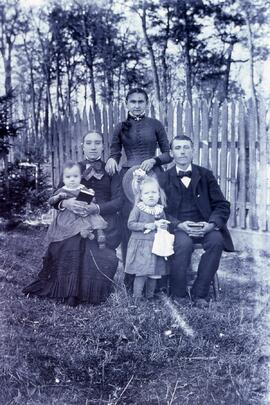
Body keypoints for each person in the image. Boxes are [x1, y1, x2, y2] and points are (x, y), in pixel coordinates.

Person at [23, 131, 122, 306]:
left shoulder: (110, 170)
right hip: (71, 223)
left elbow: (119, 201)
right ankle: (68, 290)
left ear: (102, 146)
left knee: (91, 246)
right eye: (89, 143)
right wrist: (66, 203)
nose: (93, 146)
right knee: (73, 242)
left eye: (97, 143)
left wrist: (95, 208)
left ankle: (85, 292)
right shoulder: (73, 168)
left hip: (101, 222)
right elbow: (57, 196)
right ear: (82, 146)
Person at [105, 87, 172, 289]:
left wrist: (154, 160)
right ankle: (131, 277)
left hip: (154, 178)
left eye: (140, 101)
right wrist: (110, 159)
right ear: (127, 104)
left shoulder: (156, 125)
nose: (136, 105)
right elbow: (114, 152)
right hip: (129, 180)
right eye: (133, 101)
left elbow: (168, 154)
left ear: (146, 103)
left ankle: (158, 279)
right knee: (131, 226)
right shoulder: (120, 127)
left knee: (156, 224)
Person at [158, 135, 234, 307]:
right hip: (179, 228)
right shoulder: (164, 178)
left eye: (186, 147)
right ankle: (179, 294)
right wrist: (178, 224)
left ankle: (200, 293)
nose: (182, 151)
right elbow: (159, 209)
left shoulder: (205, 175)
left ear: (192, 151)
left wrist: (211, 225)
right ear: (171, 153)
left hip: (204, 226)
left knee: (216, 241)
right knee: (182, 245)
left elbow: (222, 204)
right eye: (178, 148)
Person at [125, 175, 173, 301]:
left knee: (154, 273)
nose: (151, 195)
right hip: (141, 246)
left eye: (154, 192)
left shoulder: (159, 210)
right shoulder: (138, 209)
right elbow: (130, 224)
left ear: (159, 195)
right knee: (141, 273)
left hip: (155, 246)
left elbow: (163, 225)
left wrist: (163, 226)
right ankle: (137, 297)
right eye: (146, 193)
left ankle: (150, 296)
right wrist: (146, 225)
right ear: (141, 196)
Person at [46, 161, 107, 249]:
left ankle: (100, 234)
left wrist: (90, 194)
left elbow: (92, 200)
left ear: (80, 177)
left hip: (84, 212)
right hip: (70, 214)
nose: (72, 180)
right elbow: (51, 201)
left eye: (75, 176)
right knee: (74, 224)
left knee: (95, 218)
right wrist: (58, 197)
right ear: (63, 179)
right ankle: (86, 233)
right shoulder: (62, 190)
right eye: (68, 177)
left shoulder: (82, 187)